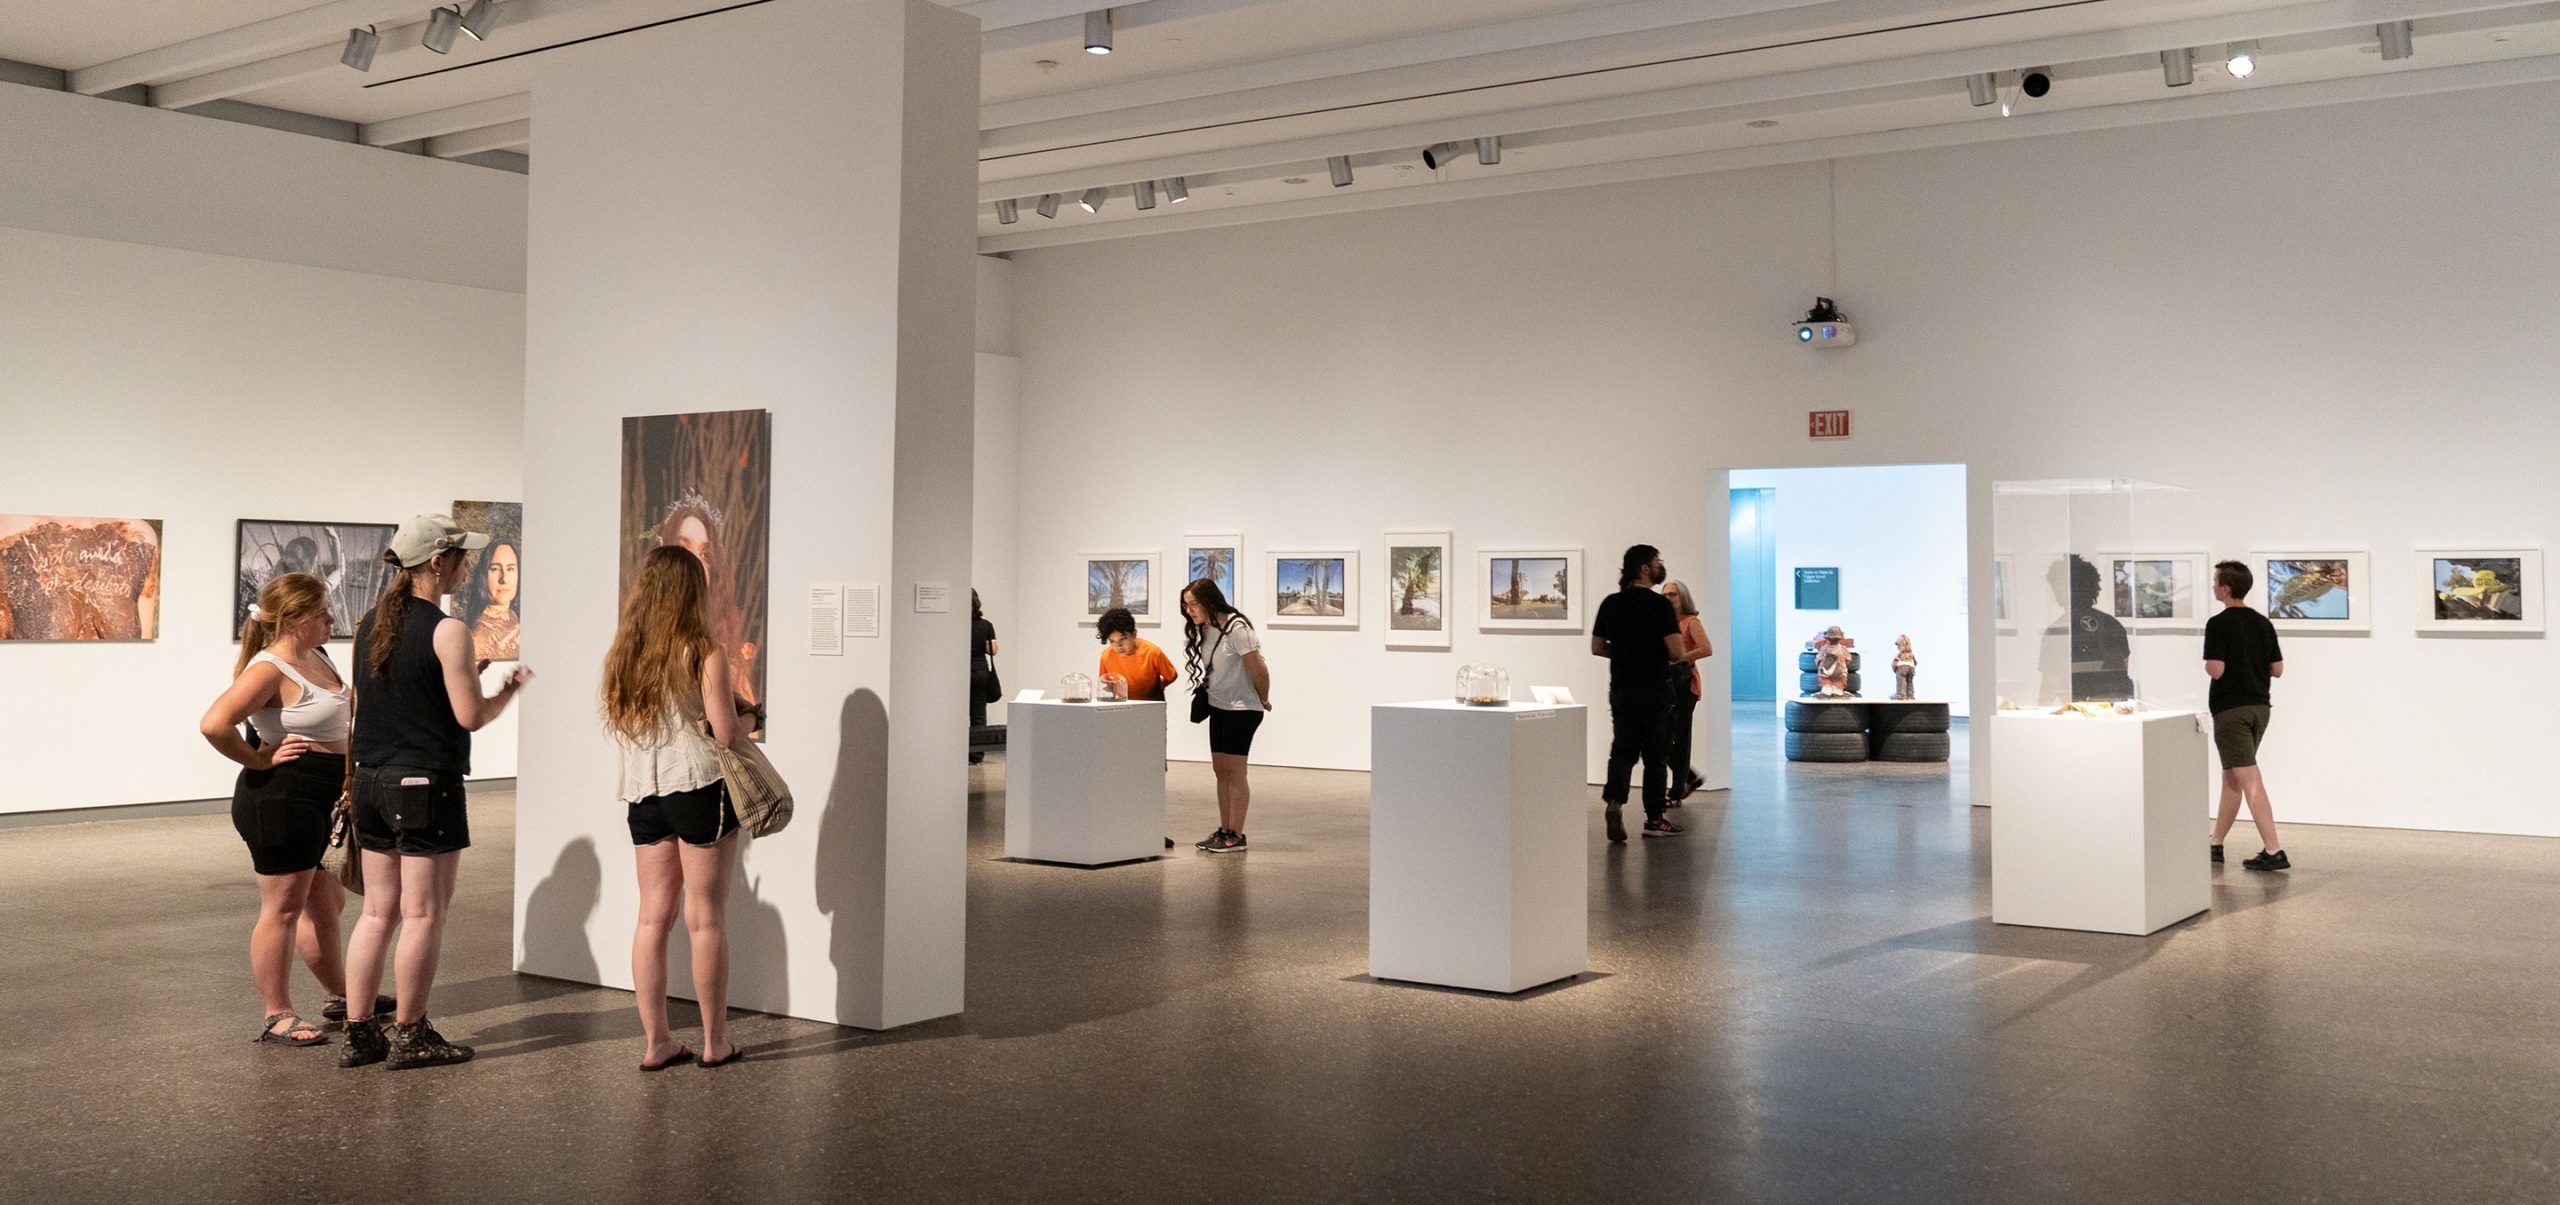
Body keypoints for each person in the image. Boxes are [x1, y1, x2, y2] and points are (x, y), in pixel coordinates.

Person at [339, 514, 532, 1070]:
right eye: (461, 557)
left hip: (373, 781)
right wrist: (505, 690)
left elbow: (387, 696)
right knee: (424, 914)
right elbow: (469, 716)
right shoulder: (448, 631)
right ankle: (411, 1033)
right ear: (436, 562)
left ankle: (358, 1034)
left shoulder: (371, 622)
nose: (467, 566)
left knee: (378, 912)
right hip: (424, 783)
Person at [198, 572, 372, 1047]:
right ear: (294, 619)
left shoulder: (315, 654)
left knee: (325, 903)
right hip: (282, 797)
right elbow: (215, 724)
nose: (329, 619)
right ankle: (277, 1014)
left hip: (320, 795)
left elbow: (347, 707)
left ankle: (340, 995)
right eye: (321, 612)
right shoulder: (270, 668)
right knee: (283, 909)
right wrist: (258, 757)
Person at [604, 546, 748, 1071]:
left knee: (651, 919)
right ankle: (714, 1042)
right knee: (705, 919)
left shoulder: (626, 651)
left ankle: (657, 1042)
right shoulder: (703, 649)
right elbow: (727, 733)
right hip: (697, 786)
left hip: (644, 793)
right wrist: (749, 720)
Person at [1591, 545, 1686, 841]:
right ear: (1644, 568)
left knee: (1622, 752)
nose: (1660, 566)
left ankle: (1615, 803)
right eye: (1657, 562)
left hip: (1622, 689)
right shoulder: (1659, 606)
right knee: (1655, 757)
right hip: (1656, 691)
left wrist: (1624, 655)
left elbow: (1597, 647)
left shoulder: (1611, 603)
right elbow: (1676, 651)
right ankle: (1654, 819)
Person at [2204, 559, 2289, 871]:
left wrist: (2215, 664)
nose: (2213, 586)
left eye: (2216, 582)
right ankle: (2216, 843)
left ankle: (2274, 850)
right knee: (2232, 777)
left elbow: (2217, 669)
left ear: (2225, 589)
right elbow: (2277, 670)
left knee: (2249, 778)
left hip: (2231, 711)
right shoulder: (2263, 623)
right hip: (2259, 708)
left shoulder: (2218, 624)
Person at [1181, 579, 1270, 853]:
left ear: (1209, 600)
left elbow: (1259, 670)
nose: (1190, 610)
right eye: (1186, 605)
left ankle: (1237, 834)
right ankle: (1224, 830)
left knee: (1235, 772)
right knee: (1220, 771)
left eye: (1194, 603)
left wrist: (1263, 698)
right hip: (1219, 706)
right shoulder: (1206, 628)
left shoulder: (1237, 628)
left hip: (1242, 710)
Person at [1658, 579, 1715, 804]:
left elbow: (1706, 649)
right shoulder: (1662, 622)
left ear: (1683, 598)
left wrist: (1680, 657)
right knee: (1661, 738)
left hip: (1684, 684)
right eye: (1665, 595)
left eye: (1673, 594)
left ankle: (1676, 791)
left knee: (1681, 738)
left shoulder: (1690, 622)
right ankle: (1689, 778)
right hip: (1664, 685)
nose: (1668, 599)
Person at [1096, 607, 1179, 702]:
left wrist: (1158, 687)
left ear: (1134, 634)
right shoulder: (1106, 656)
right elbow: (1105, 682)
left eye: (1123, 639)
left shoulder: (1152, 652)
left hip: (1151, 706)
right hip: (1122, 707)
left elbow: (1171, 675)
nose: (1118, 646)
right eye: (1112, 641)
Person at [462, 539, 520, 661]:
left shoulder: (513, 616)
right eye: (495, 569)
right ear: (483, 576)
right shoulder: (478, 639)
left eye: (510, 569)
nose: (504, 578)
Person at [969, 590, 999, 765]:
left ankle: (956, 749)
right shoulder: (986, 625)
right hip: (980, 672)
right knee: (978, 715)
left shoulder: (954, 625)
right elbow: (993, 650)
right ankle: (976, 755)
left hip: (959, 673)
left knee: (955, 713)